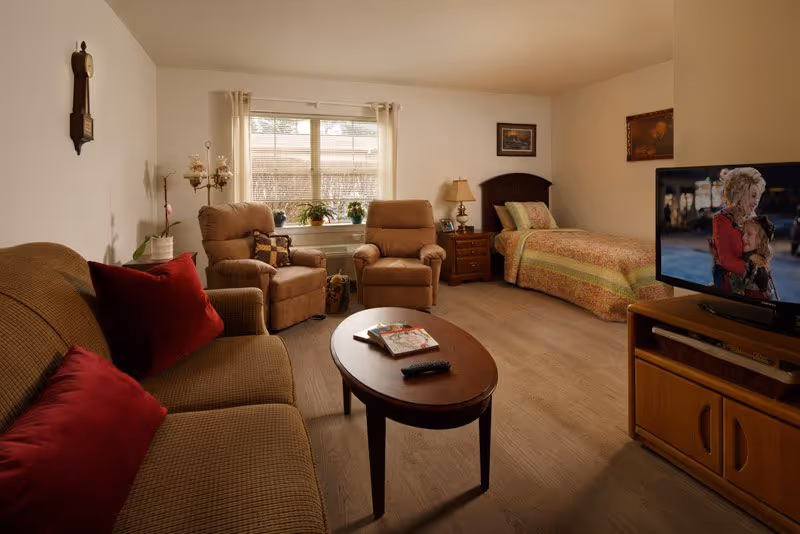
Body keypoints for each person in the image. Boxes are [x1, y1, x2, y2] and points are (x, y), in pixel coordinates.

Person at [710, 167, 766, 293]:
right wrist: (751, 270)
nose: (756, 202)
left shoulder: (752, 216)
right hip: (730, 280)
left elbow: (761, 248)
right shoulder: (721, 219)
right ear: (739, 194)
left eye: (758, 196)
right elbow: (726, 259)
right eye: (753, 196)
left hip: (753, 279)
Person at [740, 216, 776, 300]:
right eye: (743, 233)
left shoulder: (758, 265)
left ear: (761, 240)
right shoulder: (749, 257)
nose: (743, 237)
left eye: (749, 234)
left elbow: (763, 287)